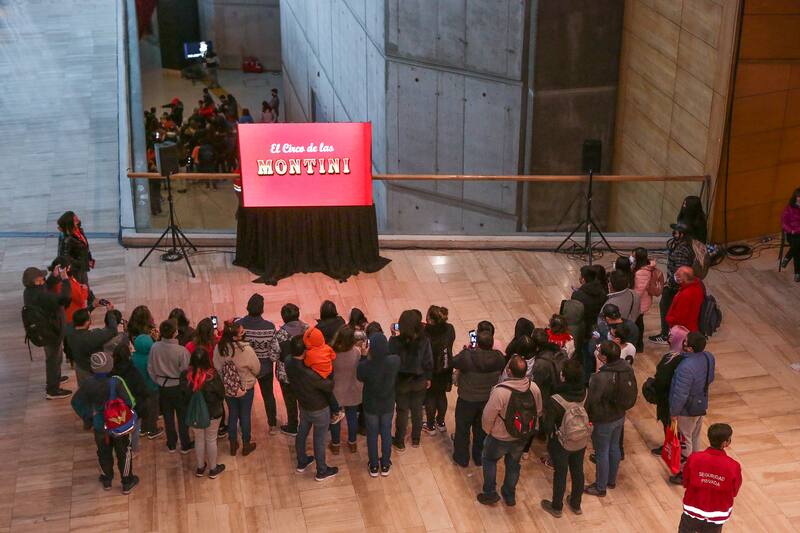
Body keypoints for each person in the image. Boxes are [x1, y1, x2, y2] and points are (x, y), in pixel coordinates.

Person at [478, 355, 543, 506]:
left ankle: (490, 493)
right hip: (522, 435)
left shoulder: (500, 391)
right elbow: (538, 411)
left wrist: (488, 431)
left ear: (508, 371)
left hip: (499, 437)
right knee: (513, 464)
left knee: (489, 460)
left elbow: (488, 416)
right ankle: (509, 495)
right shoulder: (534, 388)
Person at [72, 351, 138, 494]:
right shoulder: (116, 381)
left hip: (100, 426)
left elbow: (76, 402)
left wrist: (88, 416)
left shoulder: (88, 383)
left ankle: (107, 479)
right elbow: (130, 401)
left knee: (103, 452)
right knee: (124, 452)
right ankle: (127, 482)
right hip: (118, 425)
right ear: (110, 365)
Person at [584, 341, 636, 497]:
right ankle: (611, 481)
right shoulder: (627, 368)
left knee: (602, 452)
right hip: (620, 415)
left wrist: (588, 417)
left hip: (603, 419)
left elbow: (592, 401)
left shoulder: (599, 377)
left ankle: (600, 487)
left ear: (604, 357)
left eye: (599, 350)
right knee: (614, 447)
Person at [285, 336, 339, 481]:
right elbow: (329, 386)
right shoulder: (310, 372)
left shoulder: (288, 361)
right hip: (319, 408)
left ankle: (302, 461)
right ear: (304, 351)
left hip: (303, 405)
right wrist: (328, 368)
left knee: (302, 433)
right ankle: (322, 470)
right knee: (319, 439)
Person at [540, 358, 587, 518]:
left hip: (561, 442)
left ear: (564, 377)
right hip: (580, 439)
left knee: (560, 473)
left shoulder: (556, 400)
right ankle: (576, 504)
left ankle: (557, 507)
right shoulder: (585, 394)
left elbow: (547, 425)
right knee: (578, 471)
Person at [451, 330, 506, 467]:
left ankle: (461, 458)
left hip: (466, 398)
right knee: (482, 429)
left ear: (478, 344)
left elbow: (453, 362)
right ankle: (479, 457)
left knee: (462, 429)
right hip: (487, 400)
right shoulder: (499, 358)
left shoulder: (467, 356)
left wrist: (466, 350)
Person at [669, 332, 715, 485]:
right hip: (701, 403)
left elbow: (680, 394)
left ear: (689, 348)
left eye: (686, 341)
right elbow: (710, 378)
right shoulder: (709, 357)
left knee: (685, 440)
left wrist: (674, 412)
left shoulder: (685, 367)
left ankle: (684, 473)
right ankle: (696, 467)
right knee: (695, 436)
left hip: (686, 410)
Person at [679, 423, 742, 532]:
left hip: (692, 510)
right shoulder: (733, 466)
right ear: (725, 443)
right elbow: (734, 491)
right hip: (716, 516)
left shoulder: (694, 458)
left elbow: (685, 481)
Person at [22, 265, 72, 399]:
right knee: (53, 359)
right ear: (36, 281)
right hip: (51, 332)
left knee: (54, 356)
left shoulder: (29, 291)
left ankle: (55, 378)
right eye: (41, 278)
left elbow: (45, 288)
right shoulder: (42, 296)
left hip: (44, 331)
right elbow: (65, 299)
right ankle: (53, 390)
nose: (43, 279)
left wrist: (53, 277)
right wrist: (65, 280)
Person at [236, 294, 281, 434]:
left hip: (245, 368)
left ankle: (243, 424)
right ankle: (272, 425)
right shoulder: (269, 327)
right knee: (268, 396)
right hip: (264, 368)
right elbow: (274, 350)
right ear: (262, 310)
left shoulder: (239, 325)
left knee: (243, 397)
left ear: (247, 307)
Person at [358, 332, 401, 477]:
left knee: (372, 435)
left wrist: (363, 356)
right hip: (387, 404)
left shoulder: (366, 366)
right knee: (386, 433)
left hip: (371, 405)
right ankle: (385, 464)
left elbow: (359, 375)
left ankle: (374, 466)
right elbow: (395, 354)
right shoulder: (394, 362)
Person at [214, 322, 260, 456]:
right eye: (241, 332)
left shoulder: (219, 348)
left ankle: (233, 444)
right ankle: (246, 444)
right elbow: (256, 369)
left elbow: (217, 367)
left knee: (232, 414)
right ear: (234, 337)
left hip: (228, 388)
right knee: (245, 415)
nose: (244, 332)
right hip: (246, 388)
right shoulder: (246, 350)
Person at [389, 310, 434, 451]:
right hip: (419, 381)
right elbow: (428, 361)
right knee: (417, 410)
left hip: (401, 382)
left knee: (402, 411)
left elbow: (391, 361)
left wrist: (393, 335)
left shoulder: (394, 342)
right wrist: (428, 377)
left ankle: (400, 441)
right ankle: (416, 439)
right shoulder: (424, 341)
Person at [148, 319, 192, 454]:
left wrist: (158, 381)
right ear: (175, 333)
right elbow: (186, 371)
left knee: (168, 417)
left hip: (163, 387)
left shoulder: (155, 347)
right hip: (178, 387)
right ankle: (185, 444)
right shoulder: (181, 351)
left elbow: (150, 368)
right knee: (182, 416)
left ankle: (171, 444)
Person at [181, 347, 226, 479]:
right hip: (213, 413)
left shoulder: (185, 376)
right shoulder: (213, 376)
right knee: (211, 440)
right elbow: (221, 394)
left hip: (194, 414)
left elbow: (184, 396)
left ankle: (200, 467)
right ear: (207, 360)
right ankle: (213, 469)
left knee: (199, 440)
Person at [651, 222, 695, 344]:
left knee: (665, 307)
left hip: (674, 286)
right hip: (675, 284)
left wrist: (668, 283)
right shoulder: (683, 244)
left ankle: (665, 335)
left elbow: (680, 273)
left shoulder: (681, 250)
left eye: (675, 232)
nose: (673, 233)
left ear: (682, 234)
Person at [650, 325, 689, 455]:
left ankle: (671, 448)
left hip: (668, 399)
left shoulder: (670, 359)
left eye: (671, 335)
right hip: (681, 399)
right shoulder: (688, 357)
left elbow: (662, 381)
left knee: (669, 425)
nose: (668, 337)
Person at [185, 318, 224, 436]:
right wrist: (220, 330)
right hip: (211, 379)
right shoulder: (215, 343)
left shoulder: (190, 346)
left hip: (196, 379)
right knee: (216, 403)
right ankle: (220, 428)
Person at [274, 303, 308, 436]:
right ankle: (305, 425)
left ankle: (293, 426)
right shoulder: (308, 330)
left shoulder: (279, 335)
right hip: (305, 372)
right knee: (304, 400)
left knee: (290, 402)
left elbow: (273, 356)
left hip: (286, 375)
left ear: (283, 318)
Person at [328, 326, 363, 454]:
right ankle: (352, 443)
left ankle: (335, 445)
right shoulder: (357, 352)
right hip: (352, 389)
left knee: (336, 418)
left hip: (336, 391)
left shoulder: (332, 353)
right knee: (352, 417)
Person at [423, 305, 456, 434]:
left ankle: (430, 426)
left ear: (431, 319)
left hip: (431, 371)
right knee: (441, 395)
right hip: (446, 368)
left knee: (430, 397)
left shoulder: (426, 334)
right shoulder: (450, 328)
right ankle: (441, 422)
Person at [66, 306, 119, 386]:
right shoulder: (91, 337)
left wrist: (92, 306)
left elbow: (79, 318)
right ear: (87, 322)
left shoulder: (69, 331)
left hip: (80, 367)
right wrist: (110, 312)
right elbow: (113, 330)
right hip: (92, 370)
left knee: (84, 389)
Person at [585, 304, 639, 381]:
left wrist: (598, 354)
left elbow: (601, 370)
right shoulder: (633, 330)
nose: (610, 332)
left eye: (611, 333)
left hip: (611, 377)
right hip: (626, 373)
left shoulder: (615, 354)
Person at [303, 326, 344, 423]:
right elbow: (333, 356)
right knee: (329, 391)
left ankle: (336, 411)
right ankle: (336, 411)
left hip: (320, 376)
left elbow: (307, 364)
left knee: (327, 394)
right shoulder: (327, 348)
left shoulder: (309, 354)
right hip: (329, 372)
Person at [131, 322, 164, 440]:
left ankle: (143, 429)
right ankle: (152, 430)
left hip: (138, 388)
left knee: (143, 408)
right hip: (151, 387)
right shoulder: (150, 358)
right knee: (153, 409)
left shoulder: (133, 357)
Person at [632, 247, 658, 351]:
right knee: (639, 321)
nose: (632, 257)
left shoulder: (642, 272)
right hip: (643, 300)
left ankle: (638, 344)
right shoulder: (646, 268)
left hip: (640, 302)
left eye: (633, 256)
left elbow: (639, 290)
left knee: (638, 323)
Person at [57, 211, 93, 284]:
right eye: (75, 219)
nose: (78, 220)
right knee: (80, 285)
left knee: (84, 284)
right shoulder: (67, 240)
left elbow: (85, 246)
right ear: (70, 223)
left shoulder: (78, 230)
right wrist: (79, 263)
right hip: (75, 270)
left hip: (82, 266)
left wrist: (88, 258)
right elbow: (64, 257)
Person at [667, 266, 705, 333]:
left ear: (684, 279)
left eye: (678, 275)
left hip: (682, 330)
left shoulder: (686, 294)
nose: (676, 277)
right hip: (691, 326)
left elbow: (680, 317)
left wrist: (670, 320)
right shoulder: (697, 285)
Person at [781, 187, 800, 282]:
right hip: (792, 234)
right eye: (799, 196)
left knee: (797, 247)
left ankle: (788, 256)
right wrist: (791, 231)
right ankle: (797, 273)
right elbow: (784, 223)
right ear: (795, 197)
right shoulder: (789, 208)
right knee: (798, 246)